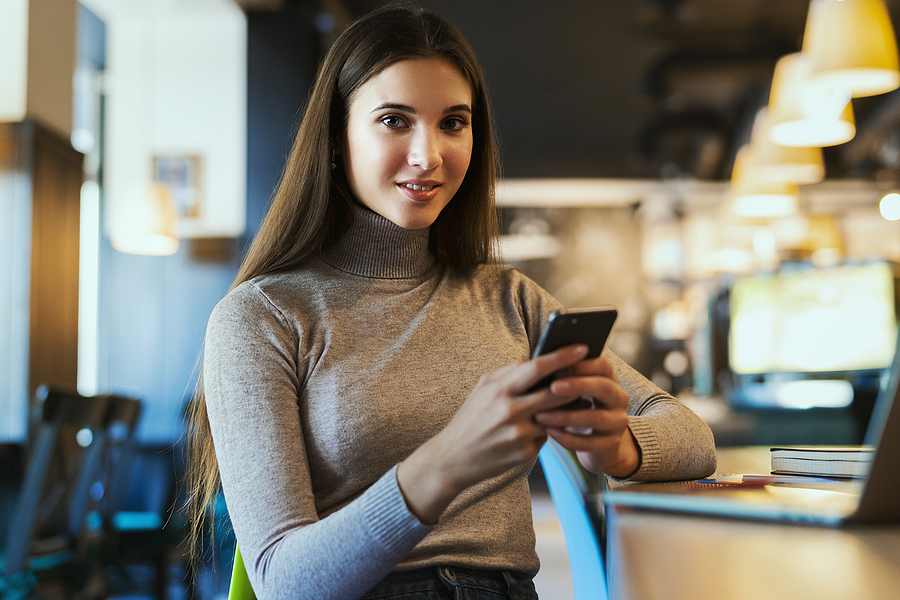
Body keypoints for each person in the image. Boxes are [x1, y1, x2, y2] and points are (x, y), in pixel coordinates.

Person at [186, 3, 716, 599]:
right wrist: (448, 462)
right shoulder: (262, 318)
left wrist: (617, 446)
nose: (428, 155)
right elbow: (284, 583)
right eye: (394, 121)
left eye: (453, 123)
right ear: (336, 136)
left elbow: (694, 438)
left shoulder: (511, 299)